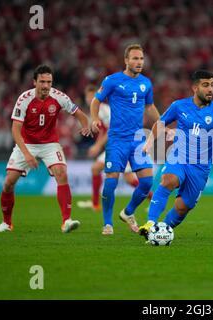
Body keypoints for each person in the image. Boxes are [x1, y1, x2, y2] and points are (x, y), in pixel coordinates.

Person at [0, 65, 91, 233]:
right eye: (42, 82)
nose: (46, 86)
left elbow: (79, 114)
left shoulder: (59, 97)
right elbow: (15, 130)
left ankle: (66, 220)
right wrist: (27, 154)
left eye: (49, 82)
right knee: (8, 183)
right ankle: (6, 223)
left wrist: (85, 125)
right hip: (26, 143)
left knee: (61, 173)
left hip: (50, 144)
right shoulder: (24, 99)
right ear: (34, 82)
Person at [138, 70, 213, 237]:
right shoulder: (179, 106)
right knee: (169, 180)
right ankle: (150, 223)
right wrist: (148, 143)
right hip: (179, 157)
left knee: (183, 207)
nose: (210, 89)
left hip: (201, 168)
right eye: (205, 85)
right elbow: (161, 123)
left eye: (212, 85)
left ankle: (162, 230)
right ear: (195, 88)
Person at [90, 44, 160, 235]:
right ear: (126, 60)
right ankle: (107, 223)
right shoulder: (112, 80)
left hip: (138, 139)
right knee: (111, 181)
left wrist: (161, 122)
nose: (139, 62)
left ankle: (128, 212)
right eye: (135, 58)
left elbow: (150, 106)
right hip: (117, 139)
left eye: (141, 59)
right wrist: (95, 118)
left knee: (146, 182)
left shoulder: (146, 83)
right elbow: (96, 101)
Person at [77, 85, 154, 212]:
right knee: (122, 176)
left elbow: (110, 130)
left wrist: (97, 146)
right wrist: (98, 145)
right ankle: (95, 204)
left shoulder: (104, 110)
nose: (90, 99)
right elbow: (103, 131)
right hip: (116, 145)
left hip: (122, 144)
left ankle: (96, 204)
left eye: (92, 95)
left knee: (101, 170)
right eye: (87, 96)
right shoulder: (97, 111)